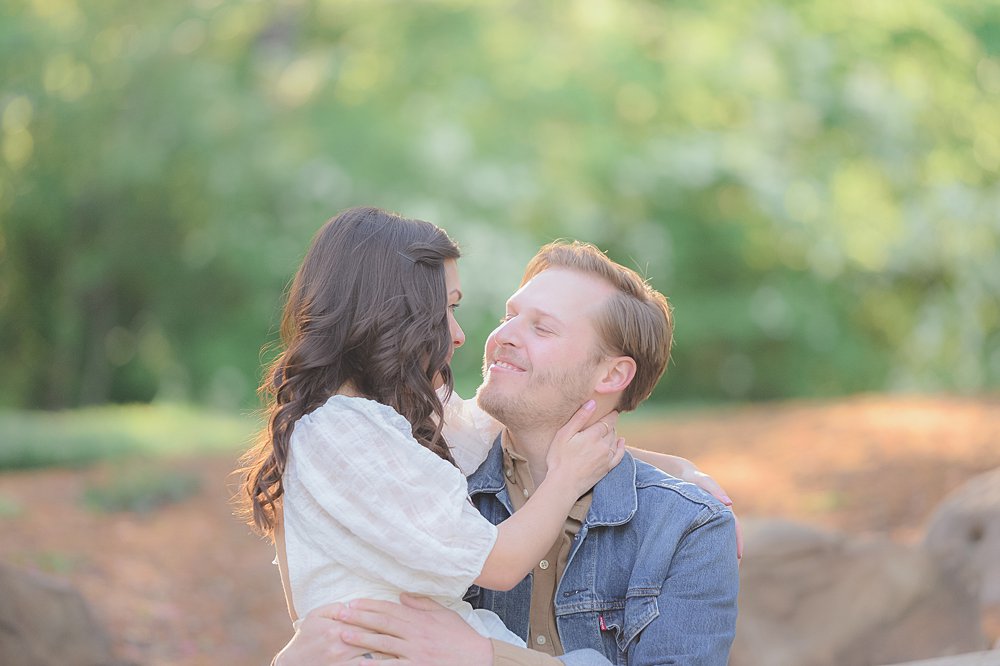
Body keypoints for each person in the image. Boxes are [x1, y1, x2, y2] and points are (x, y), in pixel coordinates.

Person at [272, 240, 740, 665]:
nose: (501, 336)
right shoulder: (431, 482)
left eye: (542, 328)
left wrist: (485, 656)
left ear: (613, 376)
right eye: (509, 316)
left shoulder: (685, 525)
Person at [236, 207, 627, 648]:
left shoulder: (370, 425)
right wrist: (568, 478)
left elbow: (514, 435)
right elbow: (499, 563)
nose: (458, 334)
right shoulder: (343, 434)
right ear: (390, 314)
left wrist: (661, 466)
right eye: (446, 309)